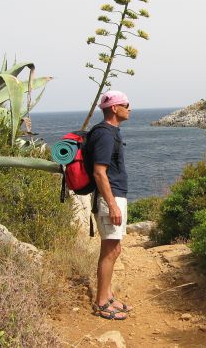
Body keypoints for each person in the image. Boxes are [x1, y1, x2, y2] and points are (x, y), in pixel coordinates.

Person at [86, 90, 133, 320]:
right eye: (126, 104)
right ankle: (102, 303)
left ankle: (108, 295)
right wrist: (112, 205)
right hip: (109, 197)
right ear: (114, 108)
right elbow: (99, 172)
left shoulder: (110, 132)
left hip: (114, 196)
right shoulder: (105, 134)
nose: (130, 108)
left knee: (115, 249)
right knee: (110, 250)